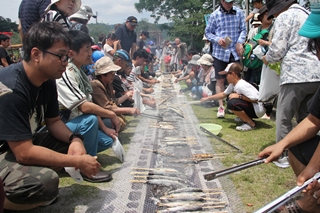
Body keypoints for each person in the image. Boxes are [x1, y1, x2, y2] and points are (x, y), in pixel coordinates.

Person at [0, 22, 106, 211]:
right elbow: (24, 153)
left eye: (67, 56)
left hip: (20, 143)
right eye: (61, 56)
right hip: (6, 149)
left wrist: (75, 139)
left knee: (70, 149)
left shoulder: (48, 82)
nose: (66, 61)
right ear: (36, 54)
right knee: (44, 182)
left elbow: (54, 122)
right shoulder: (12, 89)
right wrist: (76, 162)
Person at [261, 0, 320, 168]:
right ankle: (308, 157)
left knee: (284, 117)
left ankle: (284, 156)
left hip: (295, 75)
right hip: (316, 74)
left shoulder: (285, 16)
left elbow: (278, 49)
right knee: (308, 118)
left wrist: (267, 58)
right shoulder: (307, 14)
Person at [56, 30, 120, 159]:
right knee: (90, 120)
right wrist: (111, 113)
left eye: (90, 48)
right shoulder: (67, 72)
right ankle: (87, 163)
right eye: (86, 49)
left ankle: (72, 153)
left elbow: (89, 105)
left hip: (78, 120)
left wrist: (105, 128)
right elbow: (84, 107)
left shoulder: (80, 72)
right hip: (64, 124)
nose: (90, 53)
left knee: (107, 141)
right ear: (72, 53)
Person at [205, 0, 246, 118]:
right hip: (220, 53)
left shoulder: (239, 12)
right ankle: (221, 106)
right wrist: (217, 39)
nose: (229, 5)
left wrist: (240, 42)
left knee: (236, 80)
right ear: (222, 1)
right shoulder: (214, 15)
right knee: (220, 80)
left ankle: (237, 106)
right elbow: (208, 33)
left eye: (231, 2)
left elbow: (243, 29)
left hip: (235, 52)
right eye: (227, 2)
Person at [201, 63, 265, 131]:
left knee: (232, 103)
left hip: (258, 110)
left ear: (233, 74)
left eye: (227, 75)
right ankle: (244, 118)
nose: (226, 77)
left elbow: (256, 99)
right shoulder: (232, 85)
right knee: (231, 100)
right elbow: (223, 94)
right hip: (253, 107)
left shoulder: (241, 85)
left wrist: (239, 96)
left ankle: (250, 124)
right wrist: (207, 98)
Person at [91, 57, 140, 132]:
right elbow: (107, 108)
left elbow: (113, 102)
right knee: (116, 122)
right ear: (103, 74)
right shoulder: (96, 85)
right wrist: (128, 110)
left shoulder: (108, 84)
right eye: (111, 72)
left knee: (122, 120)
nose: (113, 74)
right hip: (99, 117)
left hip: (108, 114)